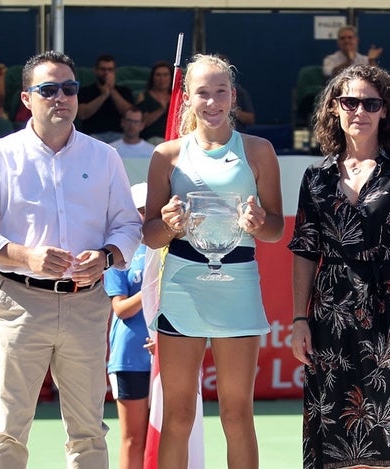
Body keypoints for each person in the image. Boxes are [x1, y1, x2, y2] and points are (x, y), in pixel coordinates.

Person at [0, 50, 142, 468]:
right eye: (49, 89)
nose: (62, 97)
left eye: (70, 88)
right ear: (26, 99)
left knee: (89, 431)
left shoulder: (104, 157)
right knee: (8, 427)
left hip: (88, 303)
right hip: (20, 302)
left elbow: (128, 227)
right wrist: (25, 256)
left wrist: (108, 256)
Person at [289, 64, 390, 468]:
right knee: (342, 432)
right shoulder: (315, 177)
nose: (359, 110)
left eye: (370, 103)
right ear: (334, 109)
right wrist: (299, 320)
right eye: (350, 101)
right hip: (332, 312)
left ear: (384, 111)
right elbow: (306, 250)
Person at [142, 53, 284, 469]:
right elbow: (150, 235)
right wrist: (168, 226)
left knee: (237, 415)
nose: (212, 101)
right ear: (188, 99)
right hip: (183, 287)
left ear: (233, 96)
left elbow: (276, 228)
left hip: (237, 286)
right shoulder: (166, 155)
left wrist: (259, 223)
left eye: (220, 91)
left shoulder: (259, 151)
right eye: (202, 92)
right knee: (179, 416)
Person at [105, 182, 152, 469]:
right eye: (140, 211)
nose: (146, 217)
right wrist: (150, 292)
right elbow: (120, 309)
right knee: (134, 438)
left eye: (151, 210)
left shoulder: (172, 250)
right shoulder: (120, 254)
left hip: (169, 355)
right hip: (129, 359)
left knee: (165, 434)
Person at [77, 54, 134, 143]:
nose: (106, 73)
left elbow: (129, 113)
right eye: (103, 69)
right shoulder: (85, 90)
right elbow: (82, 114)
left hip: (120, 137)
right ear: (96, 70)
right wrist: (103, 95)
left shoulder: (124, 91)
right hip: (93, 136)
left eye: (110, 70)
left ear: (115, 71)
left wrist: (111, 90)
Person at [136, 61, 172, 143]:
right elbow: (143, 123)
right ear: (153, 77)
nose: (162, 79)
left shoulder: (177, 97)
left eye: (165, 75)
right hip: (150, 139)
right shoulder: (143, 96)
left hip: (173, 139)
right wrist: (161, 110)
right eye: (158, 75)